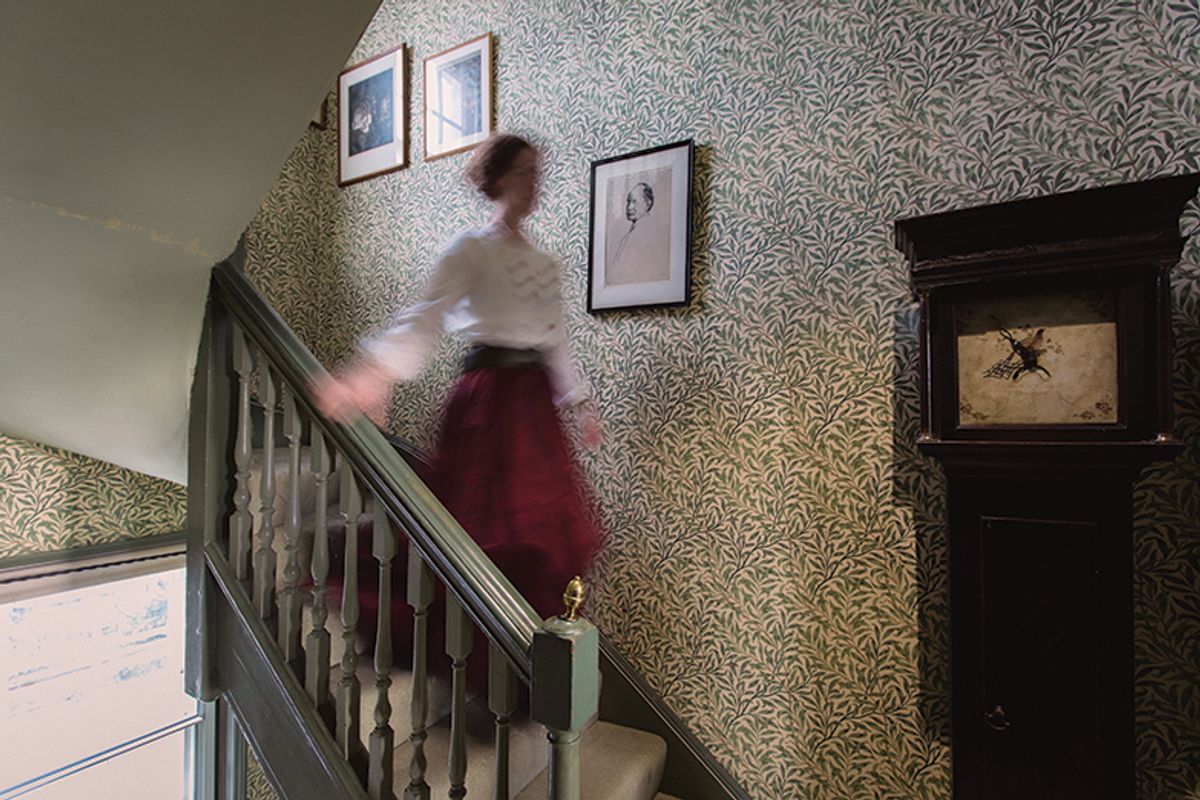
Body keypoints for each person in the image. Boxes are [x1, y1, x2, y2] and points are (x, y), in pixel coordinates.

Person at [314, 132, 603, 636]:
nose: (535, 183)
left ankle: (516, 661)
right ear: (497, 178)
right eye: (524, 172)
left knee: (545, 531)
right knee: (479, 530)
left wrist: (578, 403)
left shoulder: (546, 264)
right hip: (488, 403)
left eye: (539, 173)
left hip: (533, 409)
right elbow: (427, 317)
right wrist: (375, 372)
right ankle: (464, 647)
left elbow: (556, 339)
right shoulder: (470, 248)